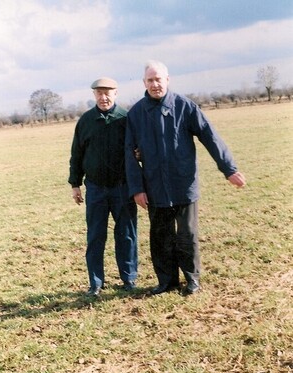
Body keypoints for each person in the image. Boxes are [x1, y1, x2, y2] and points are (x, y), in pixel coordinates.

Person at [125, 60, 246, 296]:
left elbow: (210, 137)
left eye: (158, 79)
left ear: (167, 80)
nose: (155, 84)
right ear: (144, 83)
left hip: (183, 183)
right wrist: (137, 188)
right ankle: (167, 281)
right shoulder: (136, 113)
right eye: (150, 80)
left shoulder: (185, 107)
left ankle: (192, 280)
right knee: (160, 236)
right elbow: (129, 153)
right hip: (154, 186)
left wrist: (229, 169)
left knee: (187, 235)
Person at [68, 77, 138, 296]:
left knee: (126, 234)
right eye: (99, 93)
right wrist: (75, 184)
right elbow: (76, 154)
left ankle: (129, 279)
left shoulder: (126, 119)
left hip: (123, 188)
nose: (103, 97)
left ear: (116, 93)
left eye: (108, 92)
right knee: (96, 236)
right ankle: (96, 283)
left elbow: (138, 149)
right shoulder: (86, 121)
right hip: (96, 189)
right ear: (94, 95)